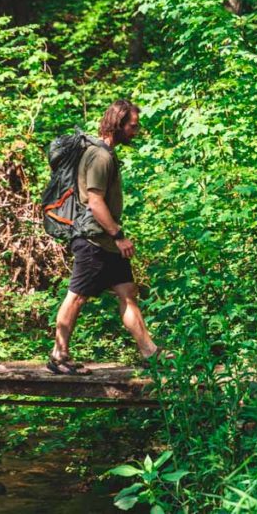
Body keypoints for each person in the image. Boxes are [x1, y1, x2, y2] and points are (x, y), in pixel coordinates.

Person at [47, 99, 170, 375]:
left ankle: (150, 352)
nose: (135, 132)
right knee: (77, 296)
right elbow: (95, 201)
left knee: (127, 293)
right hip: (94, 241)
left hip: (105, 241)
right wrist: (119, 236)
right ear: (118, 124)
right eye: (132, 126)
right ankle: (58, 355)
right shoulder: (100, 156)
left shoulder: (103, 152)